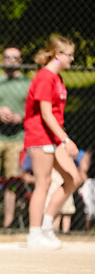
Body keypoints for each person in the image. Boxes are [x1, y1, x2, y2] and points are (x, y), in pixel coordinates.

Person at [24, 35, 83, 249]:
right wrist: (66, 140)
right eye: (69, 55)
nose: (72, 59)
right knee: (44, 183)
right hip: (40, 135)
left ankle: (47, 225)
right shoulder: (45, 77)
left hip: (53, 137)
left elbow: (55, 116)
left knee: (73, 178)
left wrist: (62, 139)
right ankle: (34, 233)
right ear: (58, 54)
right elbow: (46, 115)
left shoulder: (57, 78)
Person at [0, 47, 31, 229]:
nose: (11, 60)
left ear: (20, 60)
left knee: (13, 181)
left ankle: (8, 224)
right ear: (2, 59)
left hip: (17, 138)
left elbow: (34, 110)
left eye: (15, 57)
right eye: (7, 57)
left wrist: (21, 117)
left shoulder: (27, 83)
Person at [79, 146, 95, 231]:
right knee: (91, 211)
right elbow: (83, 168)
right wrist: (87, 183)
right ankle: (88, 231)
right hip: (91, 182)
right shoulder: (91, 151)